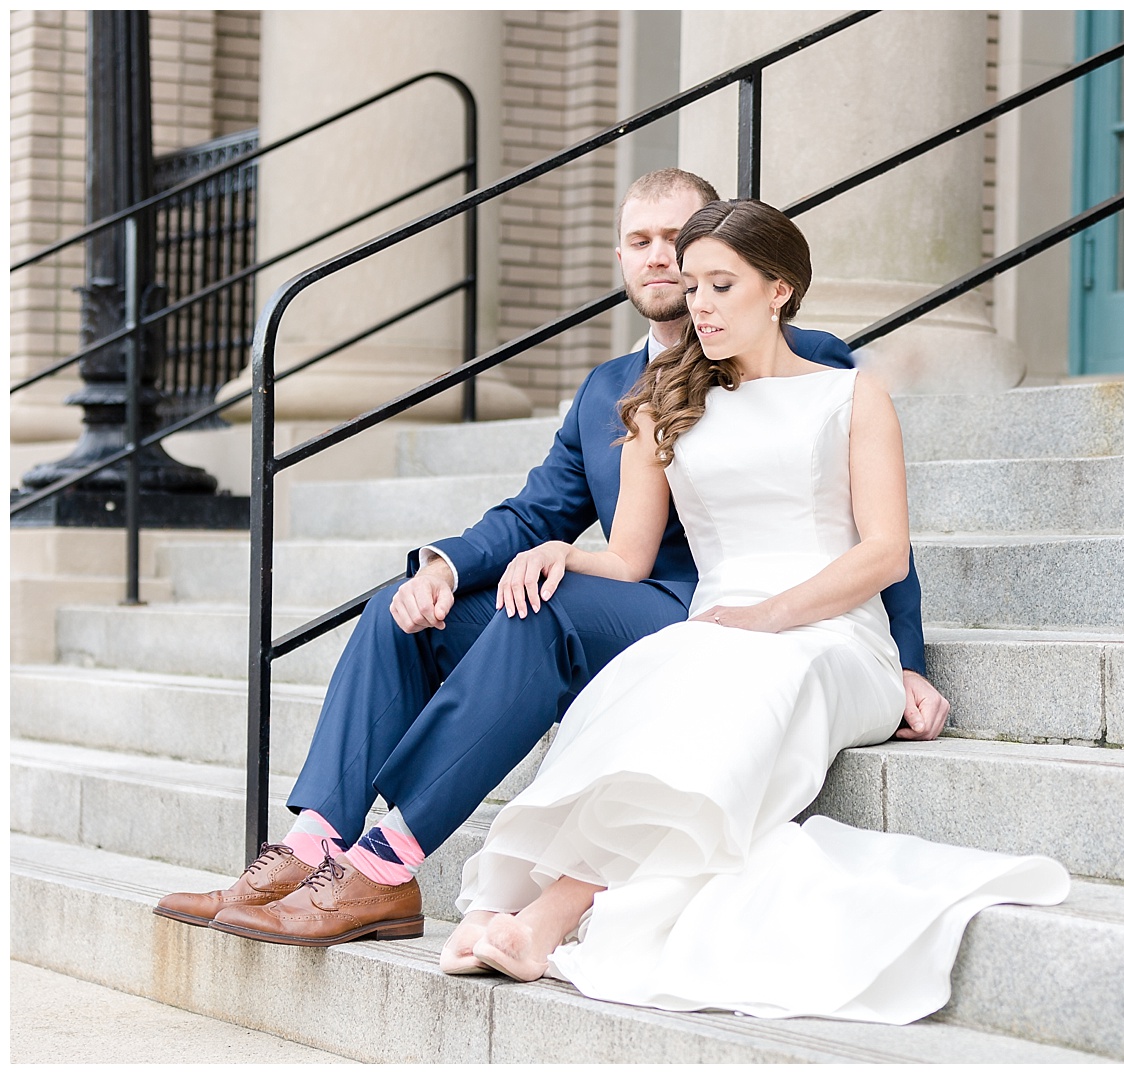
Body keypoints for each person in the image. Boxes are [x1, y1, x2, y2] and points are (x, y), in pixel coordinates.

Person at [155, 170, 950, 946]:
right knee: (399, 615)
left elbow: (871, 530)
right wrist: (445, 568)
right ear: (620, 257)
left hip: (695, 608)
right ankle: (312, 848)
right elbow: (540, 509)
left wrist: (906, 660)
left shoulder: (815, 362)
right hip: (622, 585)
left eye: (680, 241)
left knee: (546, 612)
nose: (664, 262)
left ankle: (389, 861)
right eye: (641, 241)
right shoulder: (611, 388)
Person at [444, 199, 1069, 1023]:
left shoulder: (853, 397)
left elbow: (883, 554)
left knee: (743, 682)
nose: (696, 302)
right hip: (718, 627)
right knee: (645, 687)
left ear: (779, 290)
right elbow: (629, 558)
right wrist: (563, 552)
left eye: (720, 284)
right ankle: (511, 903)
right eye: (691, 284)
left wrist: (774, 618)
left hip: (834, 637)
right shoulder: (662, 401)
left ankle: (553, 911)